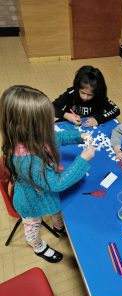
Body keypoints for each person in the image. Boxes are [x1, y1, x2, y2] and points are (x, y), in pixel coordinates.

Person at [0, 85, 95, 263]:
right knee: (32, 228)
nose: (52, 120)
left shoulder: (32, 133)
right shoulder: (26, 159)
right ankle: (38, 247)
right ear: (28, 125)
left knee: (56, 209)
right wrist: (82, 159)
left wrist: (79, 136)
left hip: (46, 190)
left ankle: (59, 227)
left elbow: (55, 138)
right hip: (30, 201)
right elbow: (57, 184)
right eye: (46, 119)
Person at [53, 65, 120, 127]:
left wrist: (98, 120)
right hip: (69, 124)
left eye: (90, 95)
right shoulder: (72, 92)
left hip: (91, 127)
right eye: (82, 92)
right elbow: (51, 107)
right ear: (78, 87)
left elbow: (116, 109)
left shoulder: (99, 95)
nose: (85, 97)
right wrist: (66, 115)